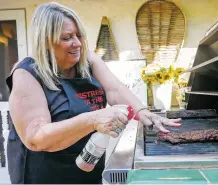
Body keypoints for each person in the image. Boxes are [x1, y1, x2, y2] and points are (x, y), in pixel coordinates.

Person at [6, 2, 181, 184]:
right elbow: (36, 138)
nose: (78, 43)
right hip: (45, 174)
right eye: (67, 38)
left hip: (87, 168)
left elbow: (115, 90)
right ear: (46, 41)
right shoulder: (27, 73)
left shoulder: (87, 60)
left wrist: (142, 111)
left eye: (79, 35)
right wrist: (93, 119)